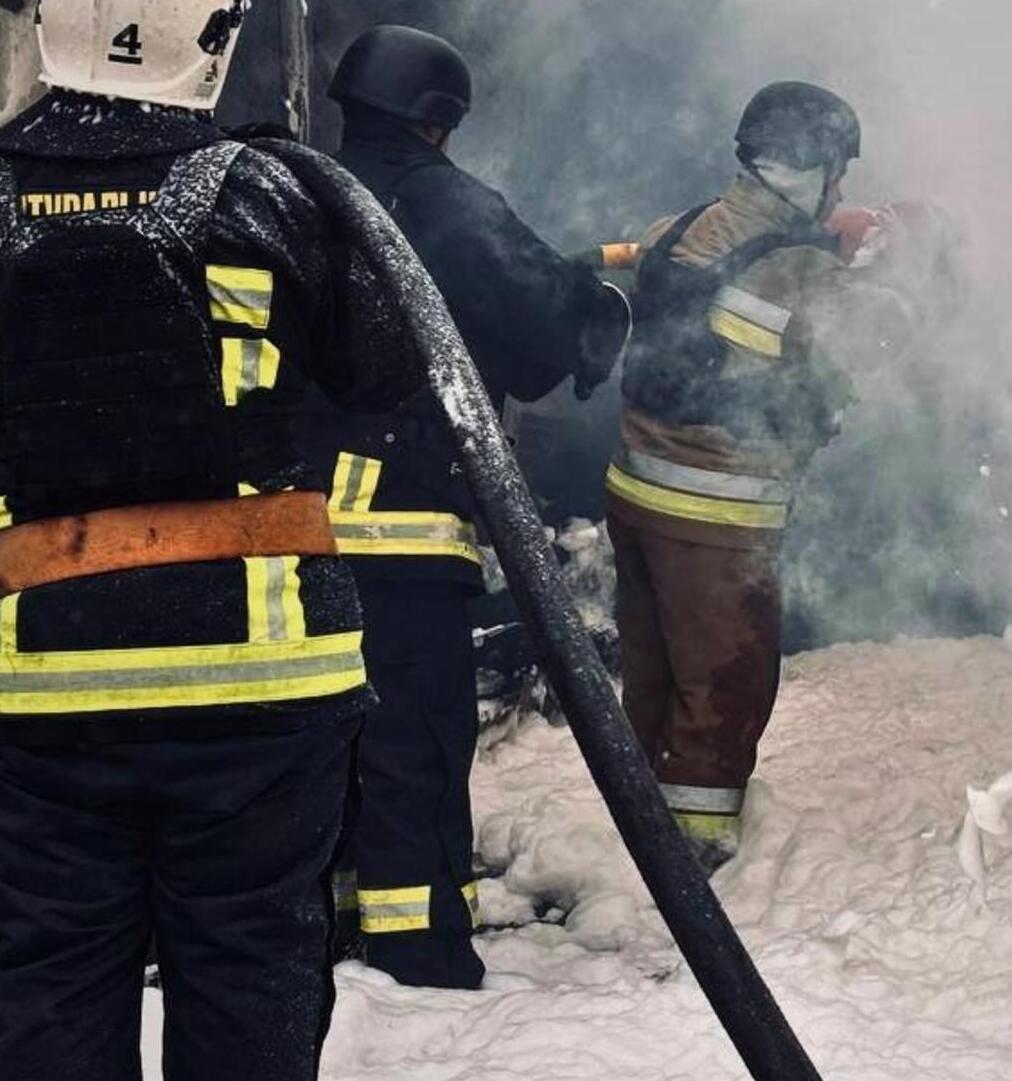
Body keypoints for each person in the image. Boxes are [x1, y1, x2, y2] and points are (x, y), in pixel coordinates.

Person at [0, 2, 425, 1077]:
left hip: (36, 688)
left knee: (45, 983)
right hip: (264, 680)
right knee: (251, 975)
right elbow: (388, 371)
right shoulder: (279, 192)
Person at [311, 24, 629, 990]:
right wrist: (600, 310)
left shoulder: (300, 193)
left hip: (283, 546)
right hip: (397, 534)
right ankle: (421, 957)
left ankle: (326, 929)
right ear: (439, 119)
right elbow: (550, 328)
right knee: (411, 740)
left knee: (321, 743)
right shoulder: (446, 203)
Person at [607, 81, 912, 872]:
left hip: (636, 495)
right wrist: (905, 268)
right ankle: (697, 868)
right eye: (837, 174)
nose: (840, 191)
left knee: (655, 682)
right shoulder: (799, 272)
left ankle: (638, 839)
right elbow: (873, 343)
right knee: (724, 692)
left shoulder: (674, 229)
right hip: (718, 517)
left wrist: (829, 248)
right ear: (813, 171)